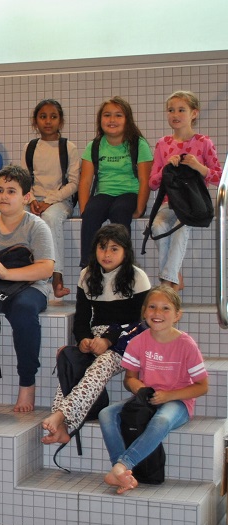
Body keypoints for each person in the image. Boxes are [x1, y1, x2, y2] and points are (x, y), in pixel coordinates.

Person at [41, 224, 151, 448]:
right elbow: (82, 319)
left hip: (128, 343)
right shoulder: (87, 275)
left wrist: (109, 340)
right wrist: (83, 340)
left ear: (125, 252)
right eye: (102, 248)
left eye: (114, 249)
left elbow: (141, 324)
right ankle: (61, 426)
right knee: (70, 359)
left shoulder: (138, 277)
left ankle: (61, 416)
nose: (107, 254)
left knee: (100, 365)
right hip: (97, 339)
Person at [97, 286, 207, 494]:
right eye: (152, 307)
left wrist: (169, 396)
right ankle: (122, 474)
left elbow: (202, 386)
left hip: (178, 401)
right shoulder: (138, 342)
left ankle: (122, 465)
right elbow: (129, 379)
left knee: (161, 420)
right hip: (148, 398)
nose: (158, 313)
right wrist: (141, 389)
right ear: (144, 311)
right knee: (106, 414)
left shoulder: (186, 344)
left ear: (177, 315)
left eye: (166, 308)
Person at [0, 165, 54, 412]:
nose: (3, 196)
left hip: (29, 287)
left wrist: (7, 273)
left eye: (11, 191)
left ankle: (27, 383)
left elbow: (46, 268)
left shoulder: (37, 226)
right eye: (0, 190)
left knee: (24, 310)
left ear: (26, 197)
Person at [147, 91, 222, 290]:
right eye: (171, 110)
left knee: (182, 228)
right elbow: (152, 183)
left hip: (193, 204)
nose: (175, 114)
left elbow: (220, 178)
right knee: (158, 227)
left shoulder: (204, 142)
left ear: (194, 113)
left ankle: (167, 282)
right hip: (168, 203)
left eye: (181, 110)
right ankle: (173, 277)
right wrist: (165, 169)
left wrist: (198, 166)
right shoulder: (163, 144)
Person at [77, 97, 153, 267]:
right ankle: (89, 265)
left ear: (127, 120)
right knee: (92, 212)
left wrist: (140, 208)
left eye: (118, 115)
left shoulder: (139, 145)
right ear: (100, 120)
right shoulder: (94, 146)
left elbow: (144, 179)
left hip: (129, 193)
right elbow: (85, 181)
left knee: (119, 211)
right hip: (104, 194)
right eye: (107, 115)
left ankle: (122, 264)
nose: (112, 120)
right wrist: (84, 209)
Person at [25, 99, 81, 298]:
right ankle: (26, 274)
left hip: (60, 201)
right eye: (43, 117)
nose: (48, 121)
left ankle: (57, 276)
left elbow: (74, 183)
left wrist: (49, 200)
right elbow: (26, 180)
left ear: (61, 121)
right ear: (35, 122)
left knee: (50, 218)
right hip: (35, 200)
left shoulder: (68, 148)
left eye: (53, 117)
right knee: (17, 217)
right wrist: (31, 199)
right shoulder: (30, 147)